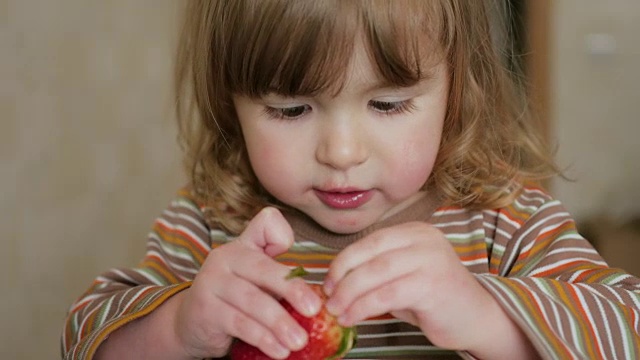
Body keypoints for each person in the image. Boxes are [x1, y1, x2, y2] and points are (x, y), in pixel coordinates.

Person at [62, 1, 640, 359]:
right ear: (230, 104)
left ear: (456, 91)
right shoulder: (211, 224)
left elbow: (626, 326)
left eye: (387, 105)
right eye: (290, 111)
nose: (341, 153)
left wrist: (486, 314)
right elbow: (84, 334)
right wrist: (179, 326)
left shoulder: (505, 218)